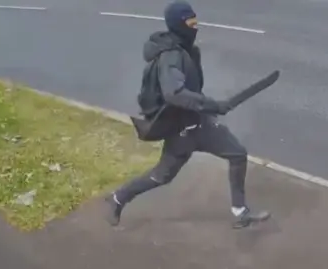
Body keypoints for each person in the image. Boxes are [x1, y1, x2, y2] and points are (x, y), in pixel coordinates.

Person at [105, 0, 270, 229]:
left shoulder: (186, 50)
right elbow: (174, 94)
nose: (195, 26)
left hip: (201, 125)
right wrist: (213, 105)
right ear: (178, 24)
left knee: (238, 154)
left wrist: (206, 112)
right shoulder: (171, 56)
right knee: (161, 176)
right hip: (180, 132)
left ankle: (240, 211)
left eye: (196, 21)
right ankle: (118, 198)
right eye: (190, 22)